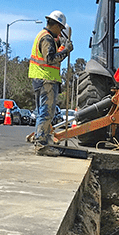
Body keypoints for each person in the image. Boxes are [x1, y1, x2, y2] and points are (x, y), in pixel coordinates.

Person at [28, 10, 73, 156]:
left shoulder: (45, 37)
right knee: (46, 113)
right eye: (60, 28)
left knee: (42, 112)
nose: (60, 32)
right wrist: (66, 51)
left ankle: (42, 140)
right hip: (46, 80)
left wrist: (61, 44)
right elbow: (50, 58)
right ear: (56, 25)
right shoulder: (46, 39)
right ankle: (41, 145)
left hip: (41, 79)